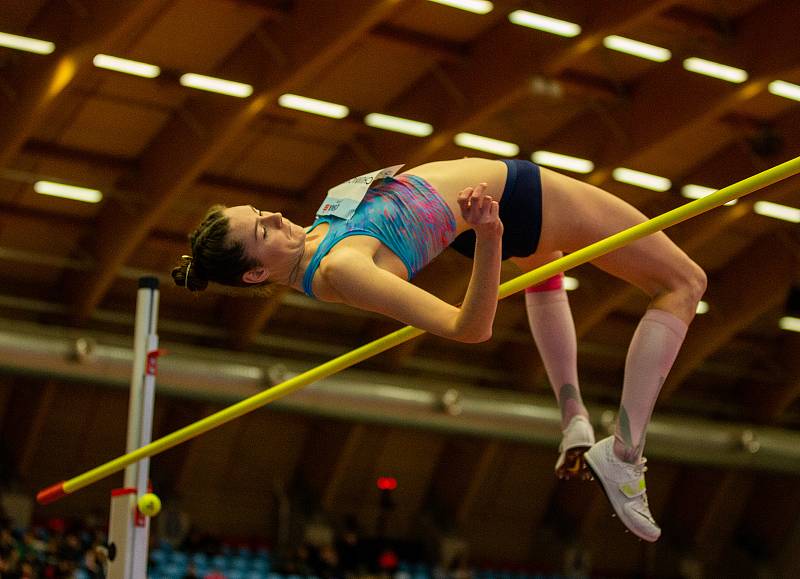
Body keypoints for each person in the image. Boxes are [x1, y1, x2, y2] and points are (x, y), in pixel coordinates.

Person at [172, 157, 706, 542]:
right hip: (513, 200)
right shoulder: (339, 269)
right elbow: (467, 327)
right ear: (256, 272)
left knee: (546, 271)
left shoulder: (315, 239)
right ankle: (624, 456)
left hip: (483, 212)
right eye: (263, 229)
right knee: (683, 283)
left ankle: (575, 418)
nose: (274, 217)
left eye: (262, 212)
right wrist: (492, 234)